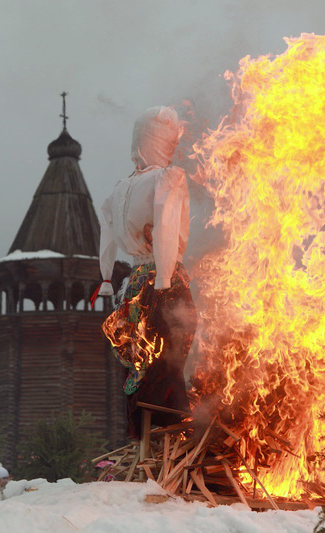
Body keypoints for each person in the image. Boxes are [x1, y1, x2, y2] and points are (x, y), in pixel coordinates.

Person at [98, 106, 196, 439]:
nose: (172, 147)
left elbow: (107, 235)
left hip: (132, 285)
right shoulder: (168, 177)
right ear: (157, 141)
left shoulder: (119, 188)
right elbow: (166, 226)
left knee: (140, 363)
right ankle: (168, 435)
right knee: (168, 361)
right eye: (169, 140)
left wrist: (106, 278)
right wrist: (166, 280)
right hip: (162, 281)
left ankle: (143, 437)